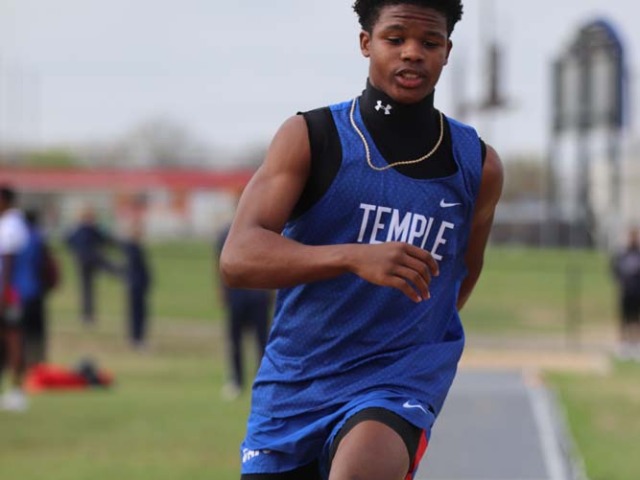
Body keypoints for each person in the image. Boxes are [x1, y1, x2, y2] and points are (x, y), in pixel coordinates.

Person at [220, 1, 504, 478]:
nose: (412, 53)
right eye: (396, 39)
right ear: (366, 43)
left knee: (362, 466)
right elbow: (238, 257)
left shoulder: (478, 164)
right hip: (296, 384)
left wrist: (407, 331)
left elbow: (462, 274)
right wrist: (352, 258)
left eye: (429, 42)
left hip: (397, 381)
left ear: (447, 51)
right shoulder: (311, 137)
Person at [215, 222, 271, 400]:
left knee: (262, 340)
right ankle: (236, 381)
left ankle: (264, 380)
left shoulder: (263, 233)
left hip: (258, 295)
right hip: (236, 295)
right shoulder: (225, 234)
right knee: (235, 340)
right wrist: (221, 291)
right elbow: (219, 265)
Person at [14, 209, 57, 369]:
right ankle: (38, 362)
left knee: (20, 330)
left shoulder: (17, 239)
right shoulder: (39, 238)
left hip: (19, 291)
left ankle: (21, 362)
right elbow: (45, 265)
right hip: (36, 290)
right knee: (37, 331)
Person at [0, 185, 30, 412]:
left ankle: (17, 391)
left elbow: (8, 262)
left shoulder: (11, 225)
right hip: (9, 291)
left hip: (10, 294)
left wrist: (5, 294)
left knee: (13, 339)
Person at [65, 205, 118, 325]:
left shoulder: (80, 229)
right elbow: (103, 240)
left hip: (84, 260)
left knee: (87, 289)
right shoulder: (88, 229)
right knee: (87, 288)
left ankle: (87, 315)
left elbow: (69, 241)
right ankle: (87, 315)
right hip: (90, 259)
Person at [120, 223, 152, 350]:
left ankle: (137, 337)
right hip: (135, 284)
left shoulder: (136, 247)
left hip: (138, 284)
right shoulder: (131, 248)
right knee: (137, 312)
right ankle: (136, 338)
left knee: (140, 312)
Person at [611, 227, 640, 360]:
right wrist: (619, 282)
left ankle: (636, 344)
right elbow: (615, 269)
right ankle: (623, 344)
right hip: (626, 291)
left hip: (637, 292)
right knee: (624, 320)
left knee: (636, 319)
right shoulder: (622, 254)